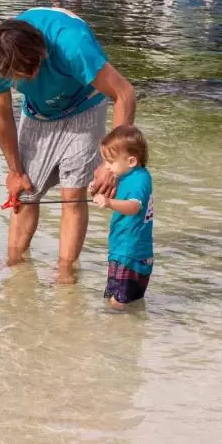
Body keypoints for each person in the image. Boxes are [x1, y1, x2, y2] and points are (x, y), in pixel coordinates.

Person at [0, 7, 136, 280]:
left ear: (43, 53)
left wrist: (111, 164)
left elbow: (124, 94)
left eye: (30, 71)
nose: (24, 79)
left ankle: (65, 269)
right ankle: (14, 263)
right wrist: (14, 170)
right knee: (25, 193)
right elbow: (1, 116)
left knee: (72, 196)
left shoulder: (71, 44)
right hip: (38, 113)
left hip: (85, 104)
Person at [91, 125, 154, 309]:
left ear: (131, 161)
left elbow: (134, 207)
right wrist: (95, 190)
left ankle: (117, 333)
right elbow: (119, 196)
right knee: (121, 300)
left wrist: (109, 203)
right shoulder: (129, 176)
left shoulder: (139, 180)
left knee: (117, 303)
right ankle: (128, 333)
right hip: (125, 248)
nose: (107, 166)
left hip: (129, 251)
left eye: (110, 161)